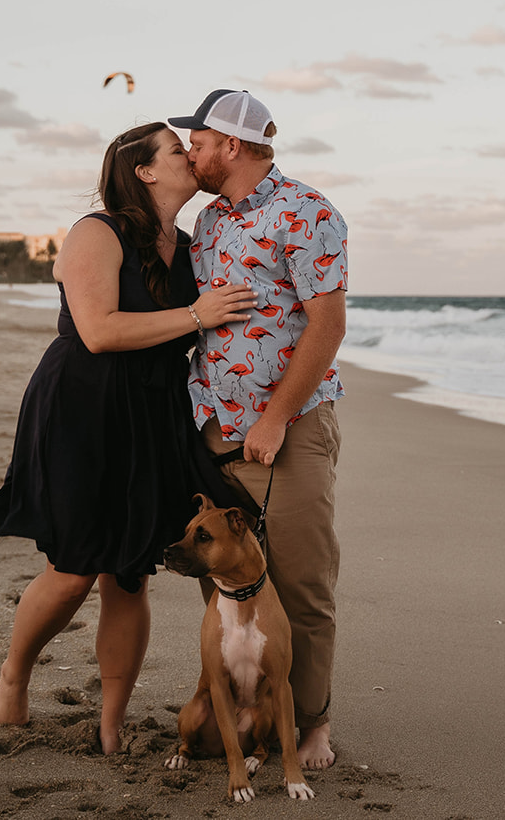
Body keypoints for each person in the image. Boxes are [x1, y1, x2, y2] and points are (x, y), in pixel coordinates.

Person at [0, 122, 258, 755]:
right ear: (144, 170)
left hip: (154, 410)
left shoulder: (190, 241)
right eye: (179, 150)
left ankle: (111, 722)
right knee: (72, 570)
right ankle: (14, 675)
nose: (192, 157)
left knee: (128, 575)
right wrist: (198, 314)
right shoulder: (97, 232)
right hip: (83, 405)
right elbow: (97, 331)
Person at [166, 89, 349, 770]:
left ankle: (312, 724)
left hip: (289, 429)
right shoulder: (209, 222)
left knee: (302, 582)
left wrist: (273, 418)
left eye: (199, 142)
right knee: (225, 580)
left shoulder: (308, 213)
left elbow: (327, 326)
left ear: (231, 145)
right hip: (213, 429)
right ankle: (239, 712)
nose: (191, 152)